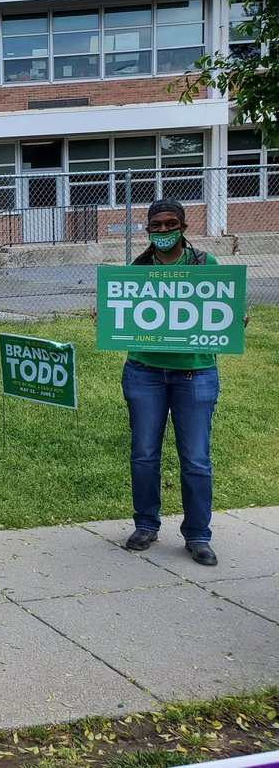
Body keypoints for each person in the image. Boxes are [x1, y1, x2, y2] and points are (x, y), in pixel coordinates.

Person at [120, 197, 236, 567]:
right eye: (157, 225)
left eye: (172, 224)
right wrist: (106, 317)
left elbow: (225, 314)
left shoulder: (206, 266)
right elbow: (122, 317)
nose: (165, 230)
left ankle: (198, 535)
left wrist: (236, 320)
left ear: (184, 227)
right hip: (144, 372)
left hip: (195, 373)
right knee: (143, 454)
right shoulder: (135, 270)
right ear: (148, 229)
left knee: (197, 459)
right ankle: (146, 525)